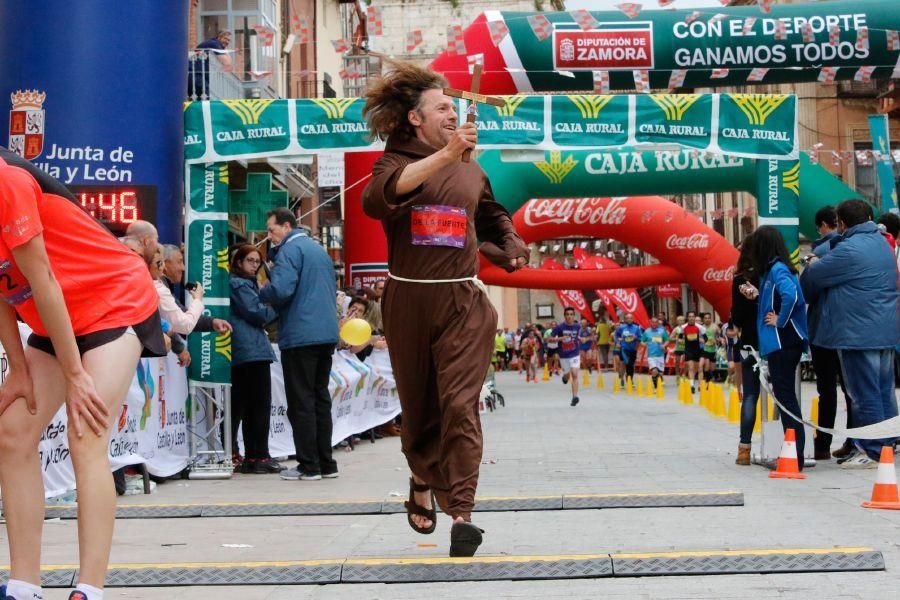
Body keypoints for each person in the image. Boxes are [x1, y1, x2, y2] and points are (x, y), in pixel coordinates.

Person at [361, 61, 528, 556]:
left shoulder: (470, 168)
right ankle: (419, 476)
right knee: (420, 411)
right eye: (442, 108)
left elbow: (491, 214)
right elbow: (379, 199)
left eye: (454, 108)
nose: (452, 116)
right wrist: (448, 155)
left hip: (462, 300)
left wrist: (512, 242)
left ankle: (462, 512)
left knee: (460, 405)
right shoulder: (393, 164)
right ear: (415, 119)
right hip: (409, 300)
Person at [0, 148, 166, 600]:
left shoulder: (8, 181)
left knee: (85, 431)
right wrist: (17, 369)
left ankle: (90, 588)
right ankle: (24, 584)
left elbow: (45, 279)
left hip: (114, 299)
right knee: (13, 432)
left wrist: (74, 374)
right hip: (59, 317)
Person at [801, 199, 899, 468]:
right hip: (885, 330)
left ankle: (873, 450)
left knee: (864, 393)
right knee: (883, 391)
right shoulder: (882, 243)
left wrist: (813, 262)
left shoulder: (849, 250)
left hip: (858, 333)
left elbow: (812, 278)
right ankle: (889, 444)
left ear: (842, 223)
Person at [259, 208, 340, 482]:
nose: (269, 237)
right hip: (325, 332)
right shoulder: (318, 251)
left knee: (301, 401)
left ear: (286, 226)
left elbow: (281, 289)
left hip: (300, 333)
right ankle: (326, 463)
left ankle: (309, 465)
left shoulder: (290, 251)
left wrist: (261, 291)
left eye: (271, 230)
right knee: (319, 398)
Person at [751, 226, 809, 471]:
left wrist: (780, 320)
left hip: (783, 343)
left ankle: (796, 456)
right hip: (779, 344)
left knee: (786, 399)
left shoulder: (777, 270)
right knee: (785, 398)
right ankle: (793, 453)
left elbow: (792, 296)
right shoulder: (774, 271)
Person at [803, 206, 854, 460]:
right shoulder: (854, 250)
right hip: (848, 330)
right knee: (851, 389)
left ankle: (822, 444)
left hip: (822, 331)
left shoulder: (818, 253)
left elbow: (806, 292)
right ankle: (854, 441)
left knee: (826, 390)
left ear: (823, 225)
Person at [229, 245, 281, 474]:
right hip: (250, 351)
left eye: (256, 261)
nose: (254, 265)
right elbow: (257, 314)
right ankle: (258, 455)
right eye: (249, 260)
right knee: (257, 406)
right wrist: (276, 306)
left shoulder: (242, 284)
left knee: (246, 406)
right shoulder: (239, 285)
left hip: (247, 350)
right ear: (238, 262)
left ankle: (252, 455)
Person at [730, 233, 761, 465]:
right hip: (772, 340)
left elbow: (737, 318)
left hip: (748, 342)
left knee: (750, 395)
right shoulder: (770, 275)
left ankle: (744, 449)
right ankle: (786, 443)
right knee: (783, 394)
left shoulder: (739, 279)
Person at [551, 307, 583, 406]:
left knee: (574, 374)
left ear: (574, 316)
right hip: (564, 355)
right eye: (567, 314)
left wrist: (581, 339)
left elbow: (578, 336)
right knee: (567, 375)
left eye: (571, 314)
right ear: (565, 316)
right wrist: (560, 338)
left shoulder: (578, 326)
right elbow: (548, 338)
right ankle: (565, 377)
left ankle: (575, 397)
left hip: (574, 353)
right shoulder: (559, 327)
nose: (569, 316)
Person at [189, 30, 233, 99]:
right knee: (206, 102)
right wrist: (226, 50)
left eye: (229, 40)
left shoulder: (214, 43)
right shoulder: (214, 44)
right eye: (225, 39)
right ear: (219, 37)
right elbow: (227, 63)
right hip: (196, 76)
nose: (227, 42)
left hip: (197, 75)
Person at [614, 314, 643, 386]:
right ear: (625, 320)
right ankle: (622, 379)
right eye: (628, 318)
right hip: (624, 349)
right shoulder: (622, 327)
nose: (629, 320)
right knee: (623, 364)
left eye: (631, 318)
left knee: (631, 365)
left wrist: (635, 337)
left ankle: (630, 379)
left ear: (633, 319)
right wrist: (618, 342)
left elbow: (640, 338)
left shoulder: (637, 328)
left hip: (633, 349)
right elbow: (616, 335)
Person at [641, 317, 669, 389]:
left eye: (656, 322)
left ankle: (659, 382)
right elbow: (642, 341)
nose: (654, 324)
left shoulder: (662, 331)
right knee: (654, 371)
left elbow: (667, 340)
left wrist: (664, 345)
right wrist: (644, 344)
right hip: (651, 355)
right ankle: (656, 388)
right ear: (650, 323)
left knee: (660, 373)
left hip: (660, 355)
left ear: (658, 323)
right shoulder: (647, 331)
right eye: (653, 322)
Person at [682, 311, 705, 393]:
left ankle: (699, 385)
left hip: (698, 350)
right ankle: (692, 385)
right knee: (691, 367)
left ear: (695, 317)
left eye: (693, 316)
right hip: (688, 350)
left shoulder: (700, 328)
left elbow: (706, 339)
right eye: (690, 316)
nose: (691, 318)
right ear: (687, 318)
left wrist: (699, 339)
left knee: (699, 368)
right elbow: (679, 338)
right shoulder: (683, 327)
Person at [700, 312, 719, 386]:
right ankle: (707, 382)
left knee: (712, 368)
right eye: (706, 318)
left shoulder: (715, 327)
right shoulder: (701, 328)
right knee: (706, 365)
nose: (707, 319)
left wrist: (718, 340)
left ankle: (711, 379)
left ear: (711, 319)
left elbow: (720, 336)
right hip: (705, 349)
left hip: (713, 349)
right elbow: (698, 337)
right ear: (703, 319)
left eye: (709, 318)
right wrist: (704, 341)